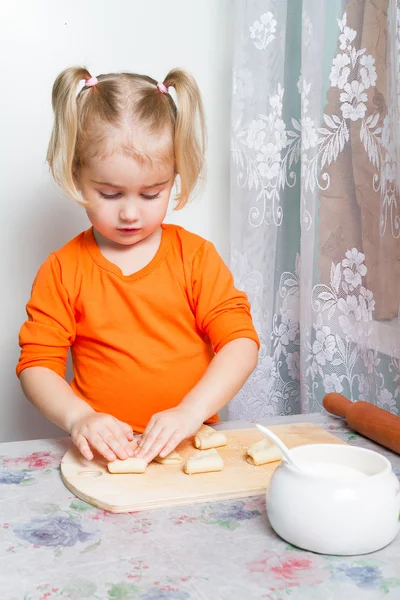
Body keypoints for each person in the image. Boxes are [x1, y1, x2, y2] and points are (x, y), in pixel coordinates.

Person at [16, 66, 259, 466]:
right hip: (103, 456)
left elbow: (241, 344)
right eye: (110, 193)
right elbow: (36, 366)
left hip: (189, 446)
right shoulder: (63, 269)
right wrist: (79, 417)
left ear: (175, 175)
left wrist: (189, 413)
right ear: (77, 176)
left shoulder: (194, 257)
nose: (130, 213)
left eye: (151, 193)